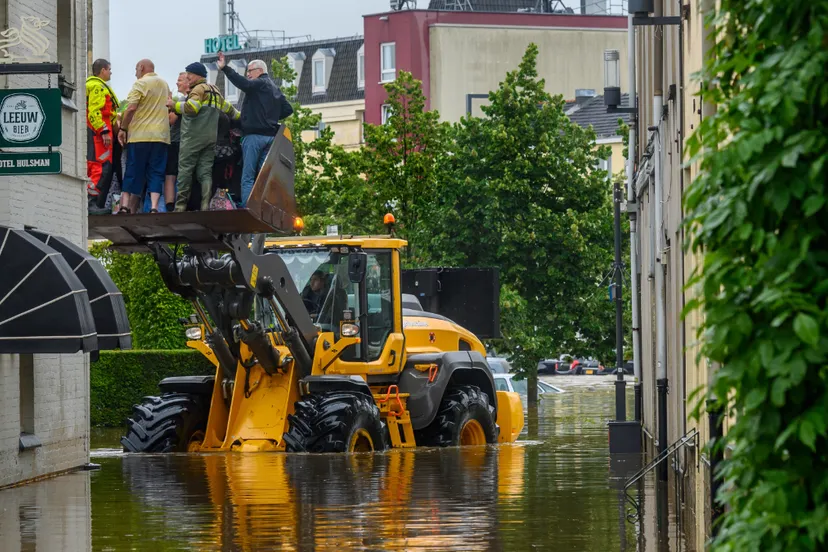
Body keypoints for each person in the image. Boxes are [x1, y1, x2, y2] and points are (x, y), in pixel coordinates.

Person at [217, 52, 294, 206]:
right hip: (270, 138)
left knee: (248, 176)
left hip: (254, 137)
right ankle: (265, 207)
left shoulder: (260, 83)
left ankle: (248, 208)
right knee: (263, 176)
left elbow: (244, 84)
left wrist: (225, 68)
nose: (248, 75)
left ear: (260, 71)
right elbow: (288, 109)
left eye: (250, 71)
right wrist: (270, 117)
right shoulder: (275, 88)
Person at [169, 62, 240, 212]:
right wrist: (243, 117)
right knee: (205, 172)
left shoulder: (198, 90)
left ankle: (180, 206)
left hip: (193, 138)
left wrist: (174, 105)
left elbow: (192, 108)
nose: (188, 77)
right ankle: (205, 205)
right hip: (210, 139)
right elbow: (230, 110)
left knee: (185, 171)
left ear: (197, 75)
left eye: (189, 74)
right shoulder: (215, 90)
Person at [117, 59, 170, 213]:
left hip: (140, 135)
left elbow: (131, 108)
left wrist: (123, 128)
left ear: (141, 67)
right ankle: (154, 207)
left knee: (133, 170)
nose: (135, 73)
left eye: (136, 69)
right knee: (156, 172)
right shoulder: (164, 84)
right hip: (161, 136)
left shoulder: (140, 83)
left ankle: (124, 206)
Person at [86, 58, 119, 215]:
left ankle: (94, 203)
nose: (111, 72)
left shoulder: (92, 85)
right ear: (103, 70)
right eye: (109, 69)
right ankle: (90, 204)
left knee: (97, 167)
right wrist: (104, 130)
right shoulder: (98, 87)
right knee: (100, 167)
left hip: (95, 132)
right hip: (98, 135)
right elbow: (95, 111)